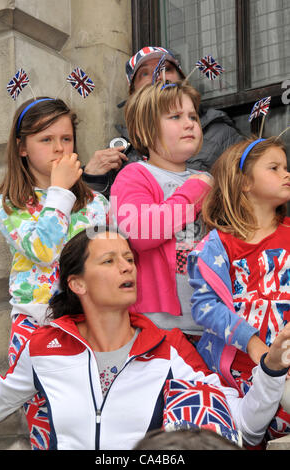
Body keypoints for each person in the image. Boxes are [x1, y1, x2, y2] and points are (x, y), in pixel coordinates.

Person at [0, 226, 290, 450]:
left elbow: (247, 426)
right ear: (77, 283)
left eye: (128, 258)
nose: (126, 266)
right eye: (108, 261)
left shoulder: (169, 346)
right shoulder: (45, 346)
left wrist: (272, 368)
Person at [0, 97, 109, 450]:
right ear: (21, 148)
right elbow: (45, 251)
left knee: (90, 420)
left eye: (67, 139)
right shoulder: (10, 202)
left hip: (89, 324)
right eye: (46, 140)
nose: (59, 148)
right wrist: (59, 192)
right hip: (35, 324)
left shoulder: (97, 204)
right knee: (46, 422)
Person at [187, 136, 290, 441]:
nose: (286, 173)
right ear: (244, 183)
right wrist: (253, 343)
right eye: (274, 167)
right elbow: (205, 307)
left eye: (286, 166)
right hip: (242, 374)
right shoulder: (216, 245)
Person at [110, 80, 212, 337]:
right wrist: (192, 193)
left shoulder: (206, 179)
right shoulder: (133, 175)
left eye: (192, 116)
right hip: (156, 325)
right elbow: (141, 234)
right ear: (147, 128)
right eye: (175, 116)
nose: (189, 123)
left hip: (209, 324)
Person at [82, 46, 243, 196]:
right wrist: (92, 179)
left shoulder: (221, 133)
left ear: (183, 79)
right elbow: (100, 215)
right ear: (133, 93)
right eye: (145, 73)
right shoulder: (120, 152)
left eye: (166, 68)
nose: (158, 75)